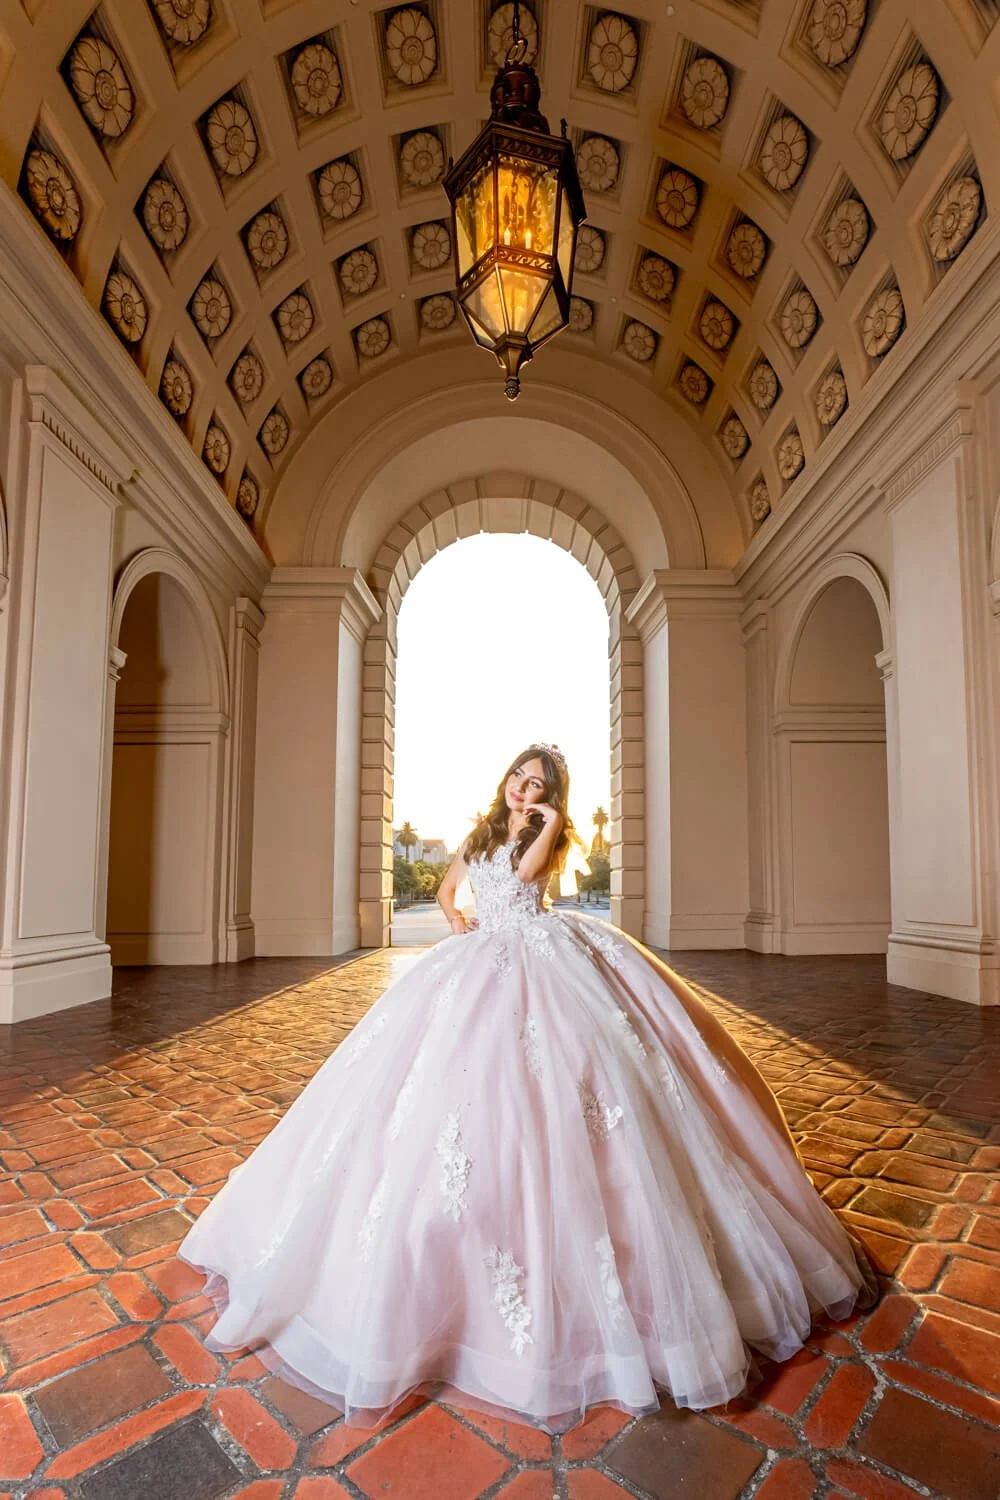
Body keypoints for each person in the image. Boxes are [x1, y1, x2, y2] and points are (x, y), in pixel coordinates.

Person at [178, 742, 877, 1434]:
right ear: (506, 778)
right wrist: (460, 926)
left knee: (581, 1087)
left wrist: (537, 824)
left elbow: (524, 876)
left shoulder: (547, 832)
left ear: (551, 794)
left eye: (538, 782)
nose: (523, 788)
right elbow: (451, 891)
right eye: (519, 776)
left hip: (543, 961)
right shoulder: (481, 830)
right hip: (480, 960)